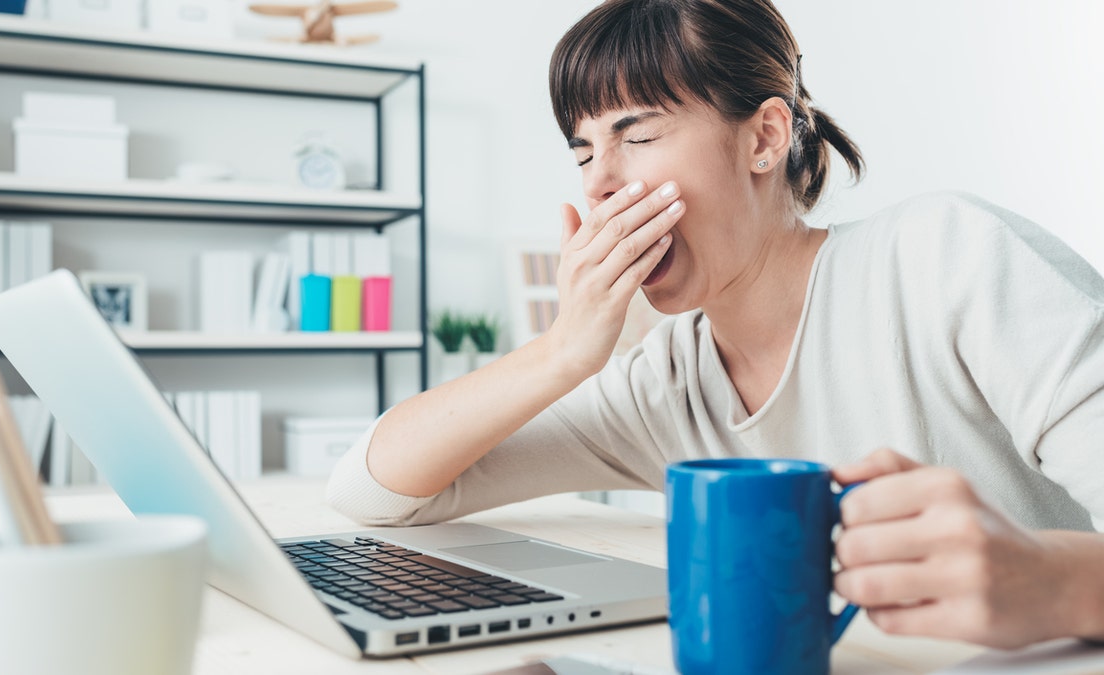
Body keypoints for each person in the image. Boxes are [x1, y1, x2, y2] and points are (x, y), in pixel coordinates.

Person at [327, 0, 1104, 650]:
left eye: (637, 136)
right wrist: (561, 352)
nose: (600, 184)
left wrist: (1059, 582)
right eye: (582, 153)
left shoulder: (946, 257)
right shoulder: (664, 383)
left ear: (764, 137)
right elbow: (376, 487)